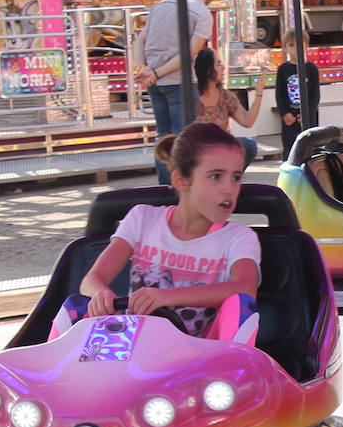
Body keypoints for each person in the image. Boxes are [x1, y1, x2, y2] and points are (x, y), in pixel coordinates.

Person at [74, 122, 260, 340]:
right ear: (181, 180)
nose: (229, 188)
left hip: (198, 358)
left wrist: (166, 297)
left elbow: (245, 288)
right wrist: (100, 294)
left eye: (236, 177)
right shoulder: (142, 218)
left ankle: (233, 371)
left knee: (240, 306)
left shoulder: (238, 237)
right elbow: (92, 279)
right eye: (215, 176)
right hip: (131, 346)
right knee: (74, 306)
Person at [136, 0, 220, 184]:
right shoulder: (201, 13)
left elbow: (140, 40)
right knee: (182, 139)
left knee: (163, 137)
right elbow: (188, 54)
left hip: (155, 84)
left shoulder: (160, 6)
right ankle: (179, 189)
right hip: (178, 82)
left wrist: (144, 70)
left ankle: (164, 187)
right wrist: (155, 71)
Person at [194, 47, 266, 167]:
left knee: (249, 145)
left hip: (222, 147)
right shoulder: (193, 96)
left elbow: (248, 121)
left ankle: (231, 178)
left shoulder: (225, 96)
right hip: (200, 150)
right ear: (207, 70)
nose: (223, 68)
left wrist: (259, 93)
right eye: (218, 64)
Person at [276, 29, 321, 160]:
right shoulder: (283, 69)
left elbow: (315, 95)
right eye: (291, 45)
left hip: (307, 118)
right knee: (290, 147)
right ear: (285, 48)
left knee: (309, 147)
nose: (295, 49)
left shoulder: (311, 69)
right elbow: (279, 94)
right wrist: (284, 113)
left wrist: (308, 114)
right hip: (289, 118)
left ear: (306, 46)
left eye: (299, 45)